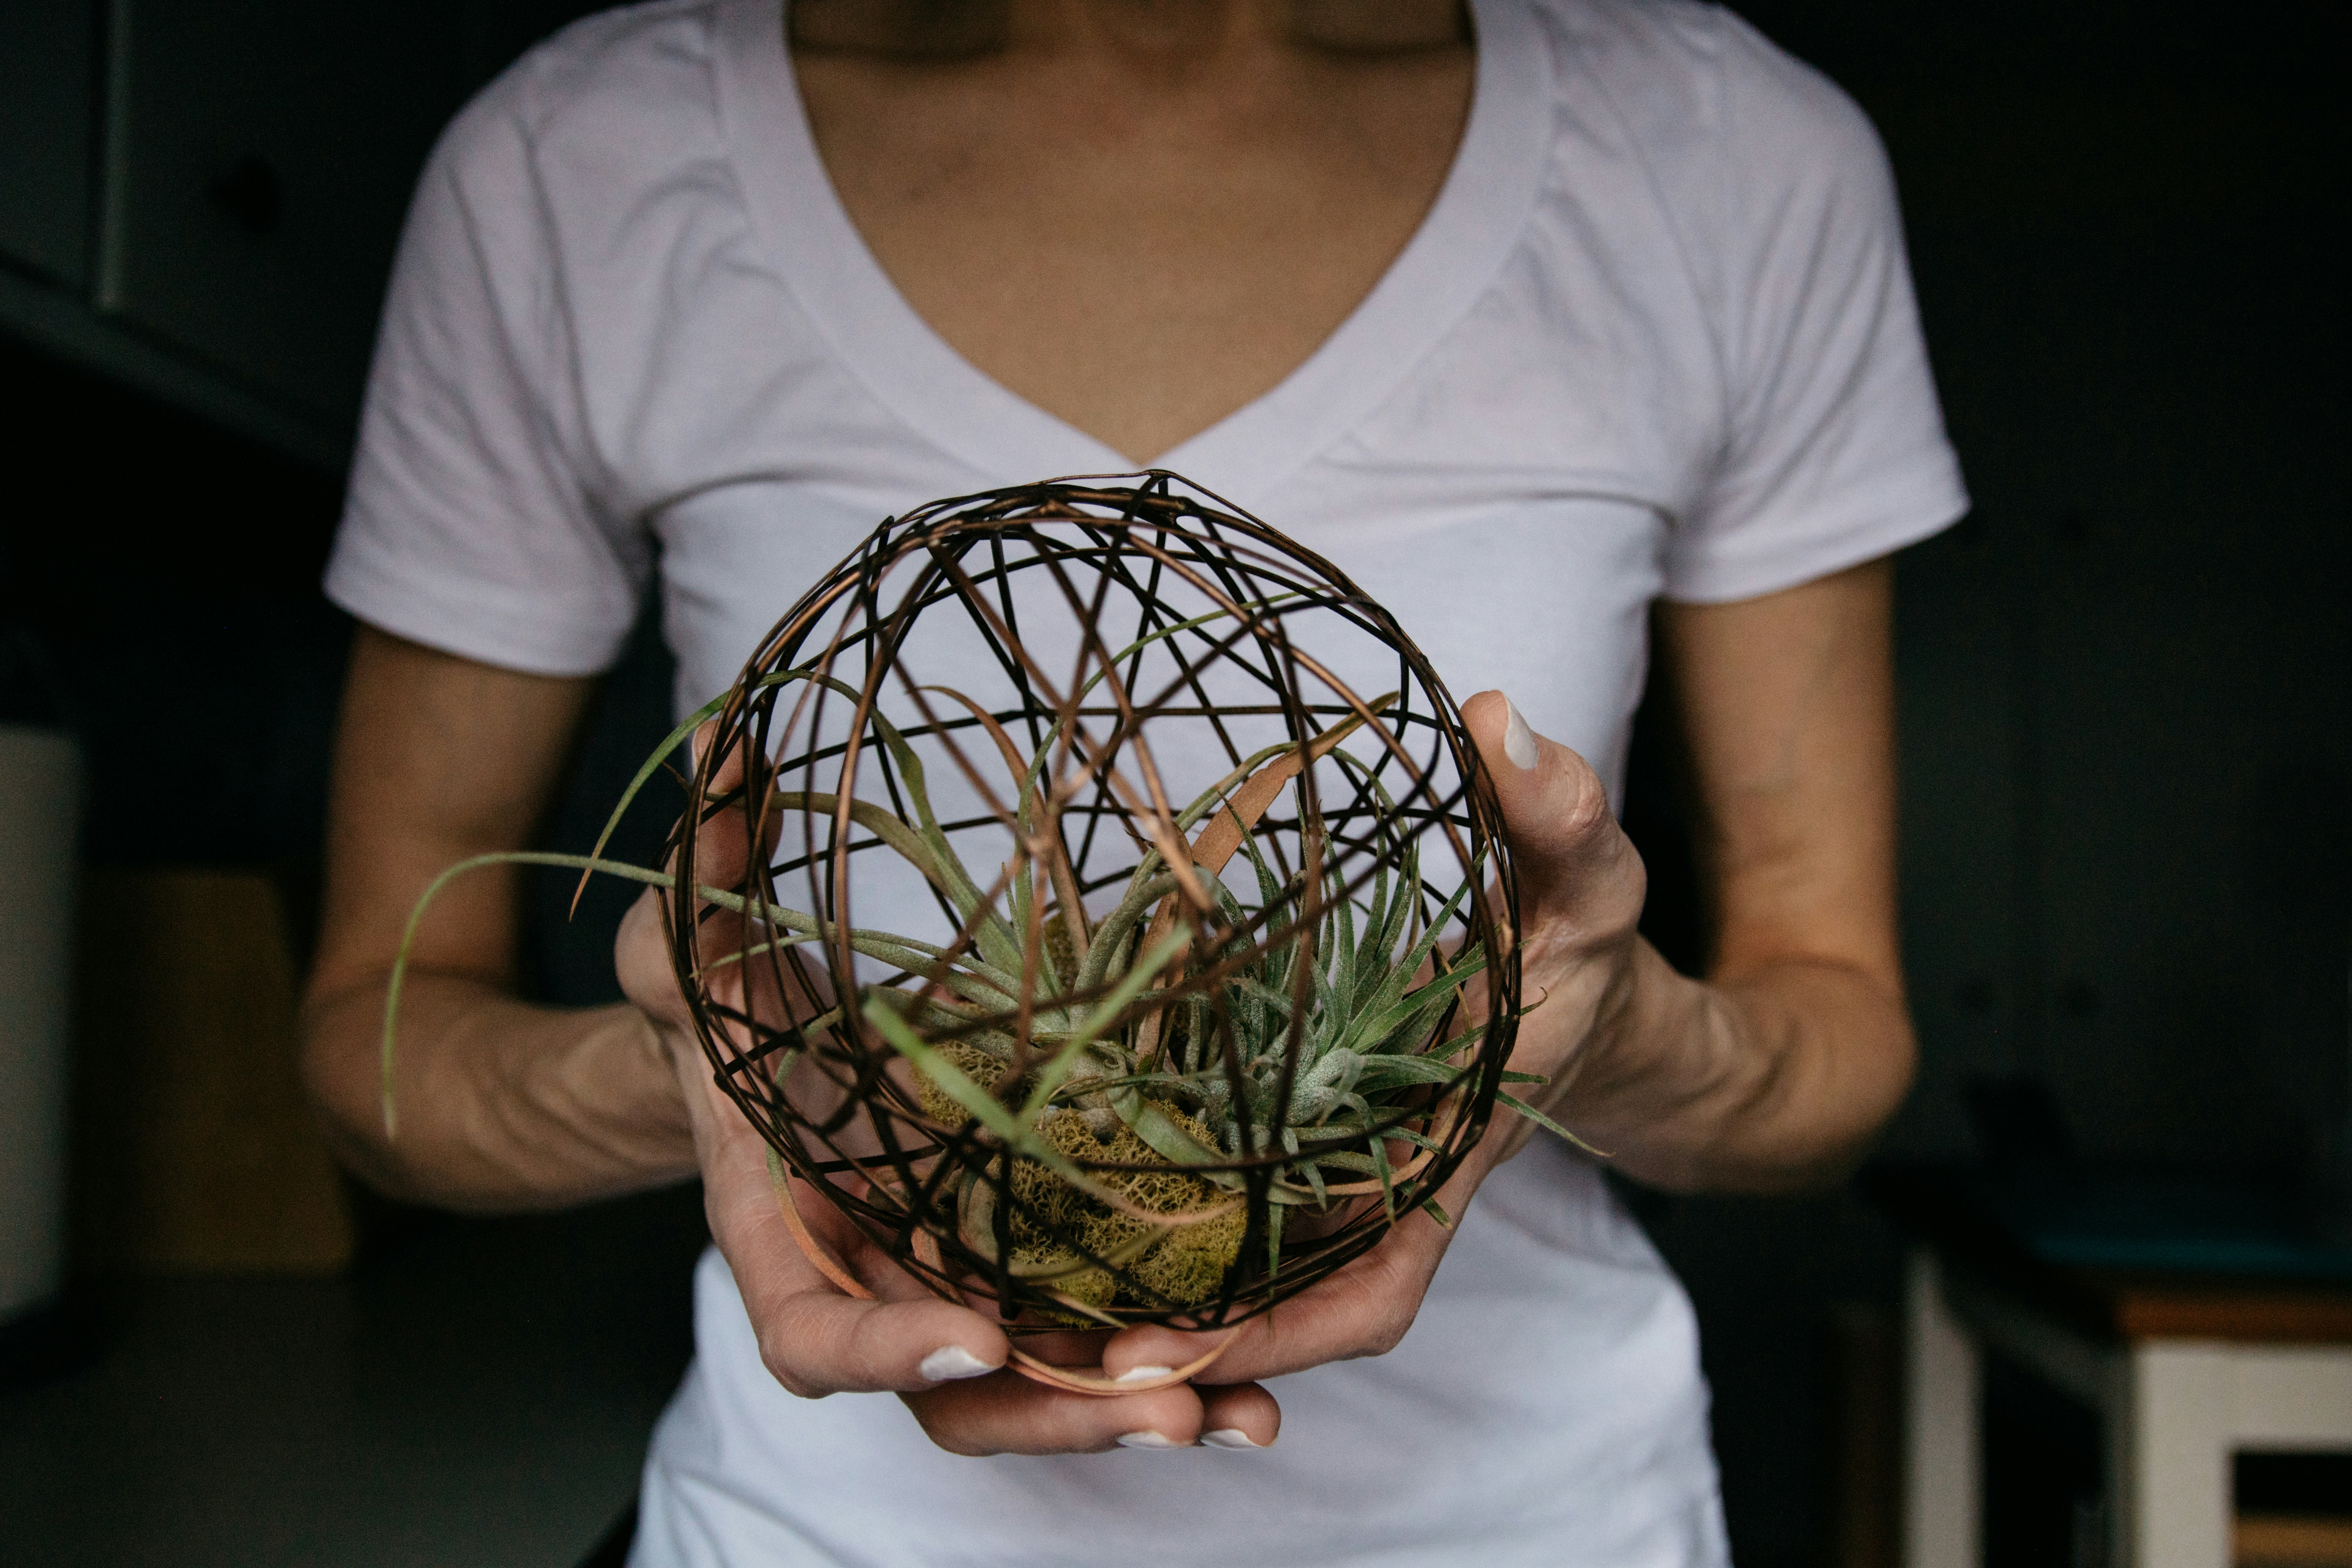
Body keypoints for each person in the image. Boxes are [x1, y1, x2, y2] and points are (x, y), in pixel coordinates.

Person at [300, 0, 1965, 1562]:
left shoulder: (1722, 151)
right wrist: (743, 1065)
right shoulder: (584, 163)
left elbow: (1836, 1027)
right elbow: (373, 1039)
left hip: (1534, 1518)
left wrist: (1610, 1031)